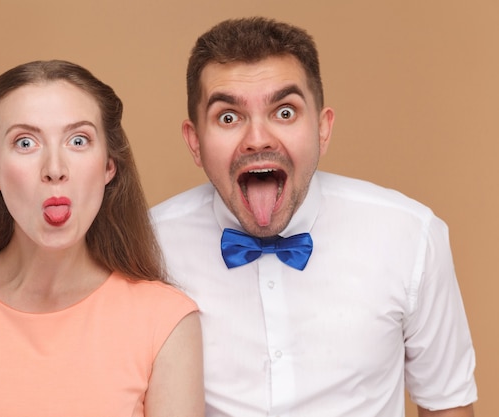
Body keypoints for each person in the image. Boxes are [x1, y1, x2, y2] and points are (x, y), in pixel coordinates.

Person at [151, 17, 476, 417]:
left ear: (322, 129)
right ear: (194, 141)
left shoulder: (411, 236)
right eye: (229, 117)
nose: (257, 139)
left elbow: (447, 406)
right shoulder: (148, 247)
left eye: (284, 112)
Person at [0, 60, 204, 417]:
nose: (55, 169)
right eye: (25, 142)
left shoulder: (166, 321)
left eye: (78, 140)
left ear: (108, 167)